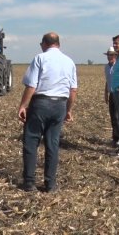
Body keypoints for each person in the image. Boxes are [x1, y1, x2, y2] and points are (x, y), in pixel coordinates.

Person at [18, 32, 77, 192]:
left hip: (41, 104)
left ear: (44, 44)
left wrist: (23, 105)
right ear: (58, 44)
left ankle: (29, 182)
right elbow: (73, 90)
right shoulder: (69, 61)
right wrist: (68, 110)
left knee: (31, 141)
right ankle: (50, 184)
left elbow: (31, 85)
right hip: (60, 105)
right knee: (53, 144)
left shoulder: (40, 58)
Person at [103, 47, 119, 147]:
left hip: (118, 94)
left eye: (112, 55)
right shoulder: (106, 67)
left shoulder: (118, 66)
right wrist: (105, 93)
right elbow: (107, 81)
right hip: (111, 94)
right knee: (113, 117)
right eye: (109, 55)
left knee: (118, 117)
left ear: (115, 56)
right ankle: (115, 138)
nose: (110, 57)